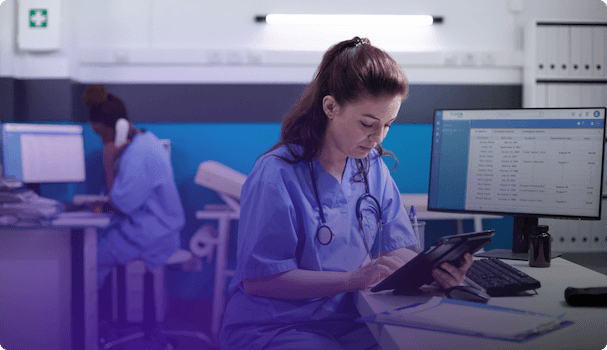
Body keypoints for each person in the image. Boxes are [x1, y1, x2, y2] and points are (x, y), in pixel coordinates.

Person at [220, 37, 473, 350]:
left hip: (352, 320)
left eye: (388, 124)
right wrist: (352, 280)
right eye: (367, 123)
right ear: (331, 107)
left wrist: (433, 271)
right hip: (278, 326)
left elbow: (397, 251)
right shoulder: (276, 175)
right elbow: (260, 281)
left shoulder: (372, 168)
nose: (377, 137)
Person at [82, 85, 185, 290]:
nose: (103, 142)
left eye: (103, 135)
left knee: (89, 257)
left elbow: (121, 205)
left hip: (155, 233)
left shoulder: (140, 153)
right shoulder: (142, 142)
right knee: (91, 246)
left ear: (119, 128)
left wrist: (109, 162)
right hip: (147, 227)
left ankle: (85, 319)